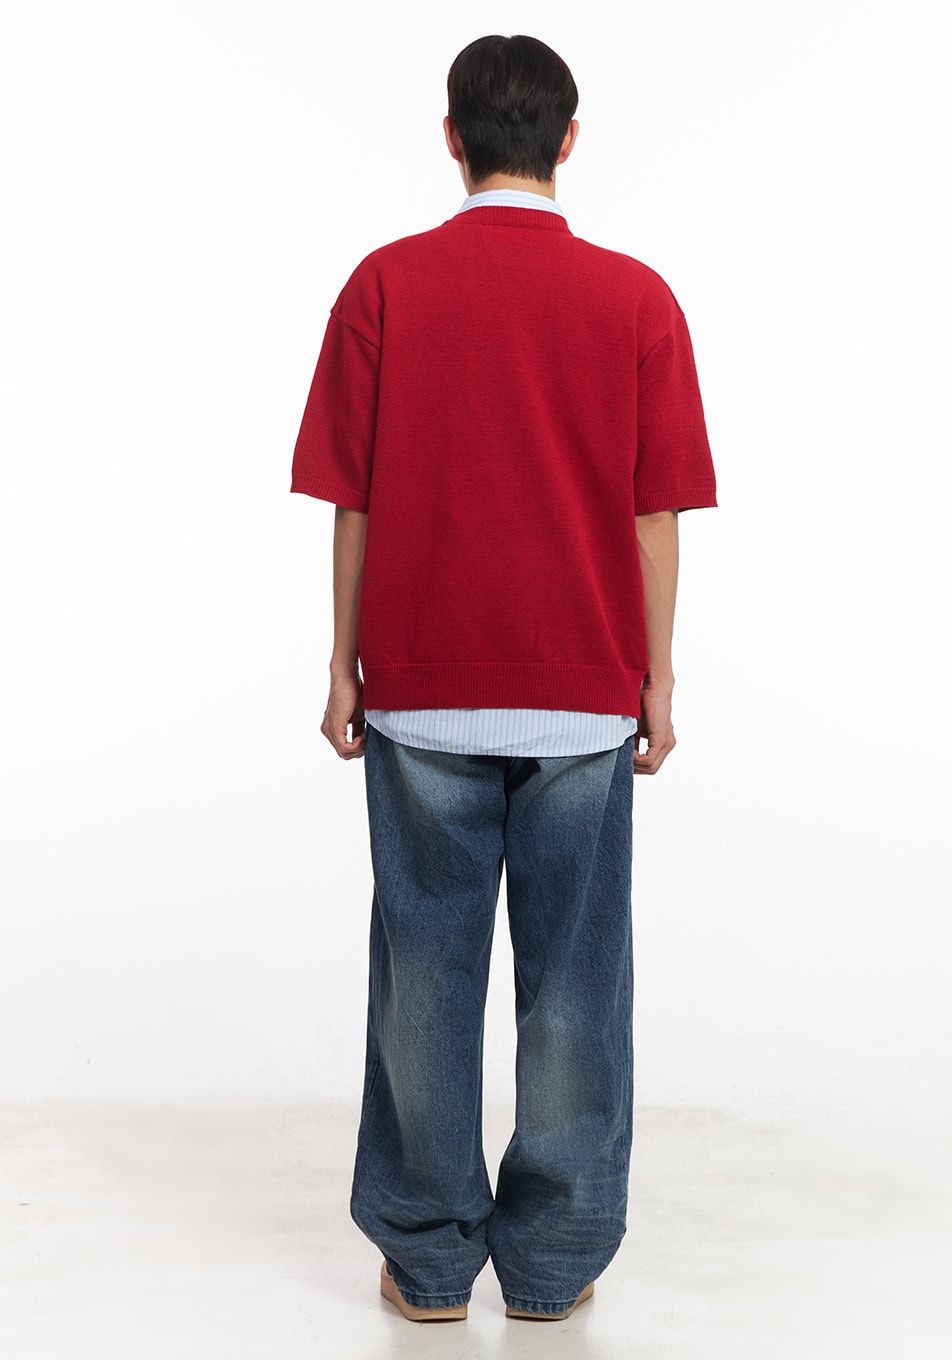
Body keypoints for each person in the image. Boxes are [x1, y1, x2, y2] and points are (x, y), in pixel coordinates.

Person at [289, 32, 718, 1324]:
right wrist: (657, 678)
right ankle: (553, 1260)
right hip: (583, 689)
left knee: (424, 974)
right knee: (575, 982)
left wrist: (341, 664)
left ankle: (427, 1262)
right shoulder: (636, 301)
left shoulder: (385, 285)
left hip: (421, 682)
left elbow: (354, 501)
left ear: (452, 137)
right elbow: (654, 515)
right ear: (569, 141)